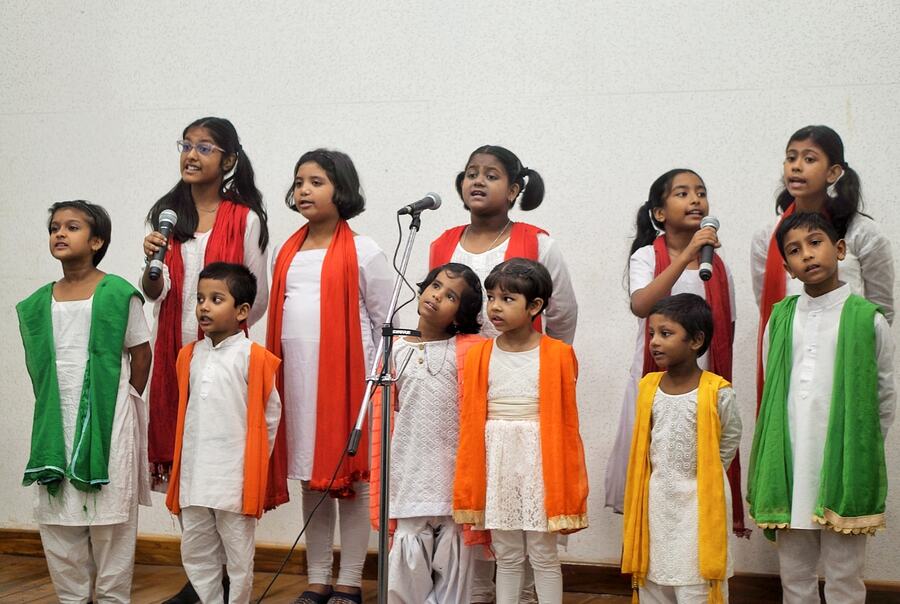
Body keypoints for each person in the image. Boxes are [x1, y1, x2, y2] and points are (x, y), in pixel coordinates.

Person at [142, 116, 270, 603]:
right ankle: (200, 578)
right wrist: (151, 262)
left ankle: (224, 579)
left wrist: (223, 338)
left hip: (226, 361)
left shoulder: (246, 219)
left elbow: (254, 298)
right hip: (180, 360)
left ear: (229, 160)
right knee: (187, 463)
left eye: (205, 147)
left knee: (222, 467)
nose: (192, 155)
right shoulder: (167, 219)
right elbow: (154, 292)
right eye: (186, 145)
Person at [748, 212, 895, 604]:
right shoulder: (779, 319)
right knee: (794, 575)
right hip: (792, 466)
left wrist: (859, 456)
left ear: (840, 249)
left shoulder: (869, 320)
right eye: (795, 250)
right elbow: (773, 391)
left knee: (845, 576)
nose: (807, 255)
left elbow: (884, 395)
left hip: (845, 468)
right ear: (787, 267)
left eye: (816, 242)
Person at [266, 149, 393, 604]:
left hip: (348, 384)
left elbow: (387, 322)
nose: (304, 190)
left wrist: (382, 386)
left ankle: (351, 581)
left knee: (351, 482)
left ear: (341, 189)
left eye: (316, 181)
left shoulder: (363, 249)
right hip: (297, 383)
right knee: (310, 477)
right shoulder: (287, 250)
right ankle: (317, 577)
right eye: (299, 181)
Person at [18, 200, 152, 603]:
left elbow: (141, 355)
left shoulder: (118, 293)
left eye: (72, 227)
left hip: (109, 421)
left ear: (97, 241)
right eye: (54, 227)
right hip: (55, 419)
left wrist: (121, 402)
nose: (59, 233)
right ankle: (72, 597)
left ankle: (113, 598)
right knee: (59, 525)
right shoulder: (37, 304)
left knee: (111, 523)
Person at [605, 169, 746, 537]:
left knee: (693, 471)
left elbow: (724, 329)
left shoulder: (716, 264)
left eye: (701, 192)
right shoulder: (645, 257)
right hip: (652, 382)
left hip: (700, 386)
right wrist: (684, 256)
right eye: (682, 193)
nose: (696, 200)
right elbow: (642, 304)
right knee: (654, 469)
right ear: (659, 213)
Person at [453, 258, 589, 604]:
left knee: (544, 553)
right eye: (491, 297)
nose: (495, 307)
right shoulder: (480, 354)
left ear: (535, 306)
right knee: (507, 551)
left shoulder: (559, 354)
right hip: (497, 460)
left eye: (508, 299)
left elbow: (565, 422)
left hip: (540, 461)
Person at [750, 125, 894, 409]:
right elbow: (769, 311)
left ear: (833, 172)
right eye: (791, 158)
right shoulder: (767, 237)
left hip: (846, 359)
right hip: (792, 359)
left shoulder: (862, 232)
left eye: (809, 159)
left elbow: (882, 310)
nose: (797, 167)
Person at [368, 262, 486, 603]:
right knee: (407, 567)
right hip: (408, 474)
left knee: (454, 566)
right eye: (435, 285)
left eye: (450, 295)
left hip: (453, 479)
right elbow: (384, 419)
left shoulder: (470, 351)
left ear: (461, 314)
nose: (436, 295)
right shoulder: (394, 349)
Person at [165, 262, 281, 604]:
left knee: (238, 558)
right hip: (194, 477)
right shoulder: (189, 355)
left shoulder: (254, 357)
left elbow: (270, 416)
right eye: (200, 298)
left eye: (217, 299)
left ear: (242, 311)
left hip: (234, 479)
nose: (204, 306)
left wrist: (254, 466)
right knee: (197, 552)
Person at [621, 293, 741, 603]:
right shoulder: (648, 387)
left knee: (695, 584)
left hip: (699, 504)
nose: (655, 342)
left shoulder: (717, 392)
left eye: (666, 333)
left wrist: (708, 474)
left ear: (696, 340)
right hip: (657, 502)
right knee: (654, 580)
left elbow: (729, 438)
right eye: (652, 334)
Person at [430, 144, 577, 344]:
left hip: (519, 365)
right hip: (453, 367)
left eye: (491, 176)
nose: (478, 181)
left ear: (512, 191)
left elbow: (563, 314)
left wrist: (550, 359)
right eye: (472, 175)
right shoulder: (442, 244)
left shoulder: (538, 244)